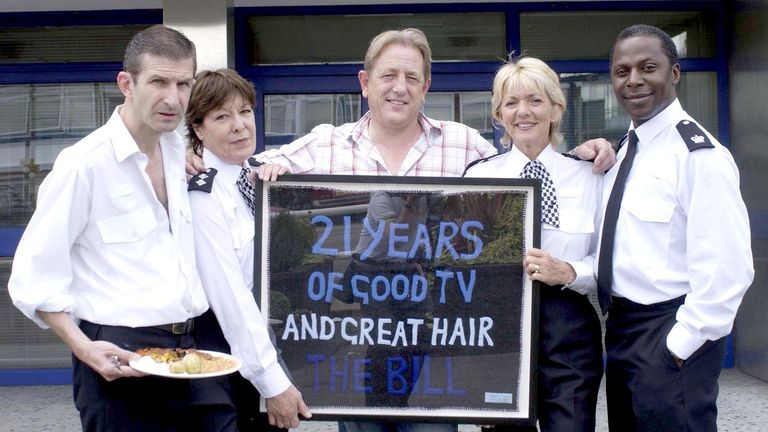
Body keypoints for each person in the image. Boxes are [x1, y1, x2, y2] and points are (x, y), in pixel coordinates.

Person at [188, 27, 614, 432]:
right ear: (364, 82)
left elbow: (520, 164)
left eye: (412, 77)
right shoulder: (325, 143)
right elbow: (248, 165)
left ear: (426, 86)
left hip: (434, 339)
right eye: (388, 75)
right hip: (357, 335)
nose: (400, 86)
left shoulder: (465, 145)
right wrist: (190, 159)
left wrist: (580, 153)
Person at [7, 25, 210, 431]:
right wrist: (83, 348)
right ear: (126, 84)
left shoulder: (175, 149)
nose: (173, 98)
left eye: (183, 83)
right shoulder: (84, 164)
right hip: (116, 354)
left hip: (187, 351)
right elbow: (31, 277)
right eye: (158, 82)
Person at [596, 24, 754, 432]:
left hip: (669, 334)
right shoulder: (623, 151)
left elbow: (728, 270)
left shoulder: (700, 156)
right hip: (622, 331)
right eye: (621, 71)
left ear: (675, 73)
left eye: (648, 67)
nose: (634, 80)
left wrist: (678, 347)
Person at [464, 57, 604, 432]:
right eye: (511, 103)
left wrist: (570, 271)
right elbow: (460, 260)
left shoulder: (589, 175)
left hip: (568, 329)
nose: (523, 112)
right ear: (498, 114)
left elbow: (606, 259)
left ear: (556, 108)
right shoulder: (479, 178)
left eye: (535, 101)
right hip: (501, 329)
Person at [185, 68, 311, 430]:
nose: (239, 125)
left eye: (245, 112)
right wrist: (271, 382)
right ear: (198, 129)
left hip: (263, 344)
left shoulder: (257, 174)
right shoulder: (203, 195)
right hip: (223, 358)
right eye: (222, 116)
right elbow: (231, 297)